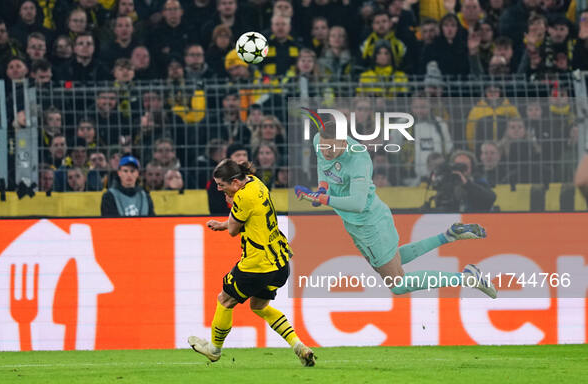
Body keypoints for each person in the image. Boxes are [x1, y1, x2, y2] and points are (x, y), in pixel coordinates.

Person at [294, 117, 497, 299]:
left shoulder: (359, 159)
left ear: (343, 142)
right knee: (394, 260)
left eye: (331, 148)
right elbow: (324, 168)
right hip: (364, 220)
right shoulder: (319, 142)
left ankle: (467, 278)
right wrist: (322, 188)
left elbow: (356, 203)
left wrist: (322, 198)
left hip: (367, 223)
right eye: (323, 147)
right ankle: (449, 236)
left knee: (398, 284)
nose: (325, 151)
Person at [188, 159, 315, 367]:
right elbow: (248, 219)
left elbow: (233, 230)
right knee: (259, 305)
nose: (220, 189)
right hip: (280, 262)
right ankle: (298, 346)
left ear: (236, 182)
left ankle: (214, 350)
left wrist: (230, 207)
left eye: (222, 185)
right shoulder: (256, 182)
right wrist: (222, 224)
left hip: (257, 265)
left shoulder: (242, 198)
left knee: (225, 300)